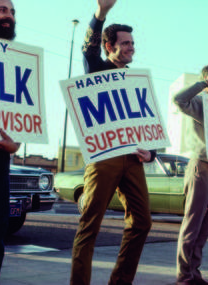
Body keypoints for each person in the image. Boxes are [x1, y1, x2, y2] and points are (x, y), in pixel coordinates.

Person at [70, 1, 156, 284]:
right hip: (103, 157)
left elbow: (144, 122)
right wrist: (100, 15)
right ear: (110, 46)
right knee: (89, 227)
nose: (132, 47)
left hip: (132, 158)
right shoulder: (96, 68)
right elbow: (88, 50)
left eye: (133, 42)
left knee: (142, 222)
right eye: (126, 43)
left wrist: (152, 151)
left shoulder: (136, 80)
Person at [173, 64, 208, 285]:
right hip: (201, 167)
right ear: (207, 78)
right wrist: (202, 85)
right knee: (193, 224)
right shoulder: (199, 101)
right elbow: (179, 100)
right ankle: (184, 275)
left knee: (205, 227)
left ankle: (194, 272)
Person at [0, 1, 21, 284]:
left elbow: (19, 119)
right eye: (2, 9)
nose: (8, 16)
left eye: (11, 12)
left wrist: (17, 144)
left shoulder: (15, 63)